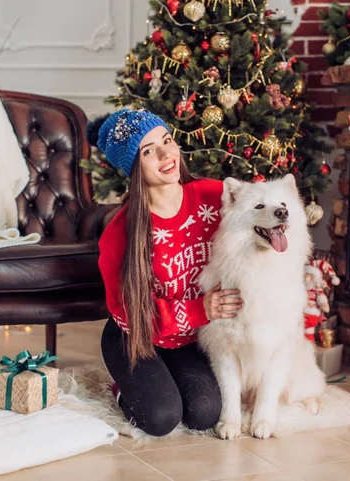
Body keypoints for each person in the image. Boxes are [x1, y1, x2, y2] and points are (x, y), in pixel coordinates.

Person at [88, 108, 243, 437]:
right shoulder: (120, 234)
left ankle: (161, 378)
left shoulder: (214, 197)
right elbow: (127, 312)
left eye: (167, 140)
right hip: (135, 336)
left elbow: (260, 205)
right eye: (148, 151)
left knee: (203, 414)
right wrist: (201, 308)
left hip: (189, 337)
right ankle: (123, 388)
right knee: (160, 418)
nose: (165, 154)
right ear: (133, 168)